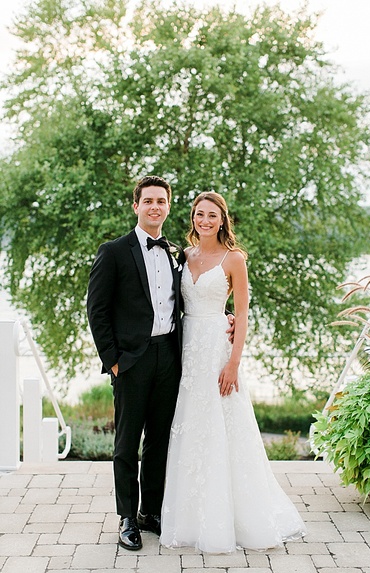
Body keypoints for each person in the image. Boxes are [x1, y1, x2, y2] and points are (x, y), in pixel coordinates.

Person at [159, 191, 306, 553]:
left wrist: (233, 362)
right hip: (188, 350)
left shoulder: (234, 259)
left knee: (223, 428)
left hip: (218, 351)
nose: (204, 220)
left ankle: (233, 519)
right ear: (192, 217)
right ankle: (190, 518)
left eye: (212, 215)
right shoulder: (185, 255)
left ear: (223, 220)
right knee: (191, 427)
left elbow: (241, 315)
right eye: (199, 214)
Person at [87, 176, 187, 551]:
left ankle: (151, 512)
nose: (155, 207)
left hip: (169, 357)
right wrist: (112, 360)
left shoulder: (175, 252)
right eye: (148, 201)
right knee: (127, 441)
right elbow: (96, 310)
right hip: (130, 361)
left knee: (159, 441)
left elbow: (185, 302)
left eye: (161, 201)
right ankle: (127, 517)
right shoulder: (113, 251)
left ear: (168, 206)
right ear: (136, 206)